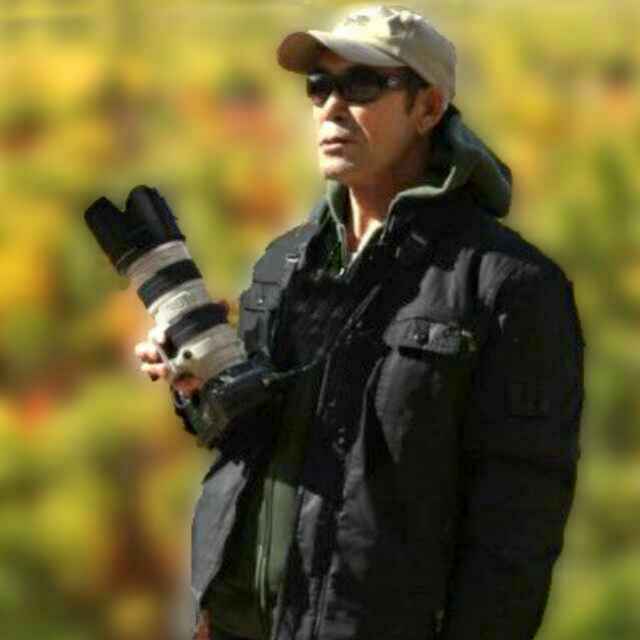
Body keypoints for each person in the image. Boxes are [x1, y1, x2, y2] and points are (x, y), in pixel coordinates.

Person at [135, 5, 586, 640]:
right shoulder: (284, 263)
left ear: (428, 107)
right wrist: (197, 383)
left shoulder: (509, 286)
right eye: (319, 86)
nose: (331, 107)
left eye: (363, 85)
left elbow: (517, 528)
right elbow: (248, 433)